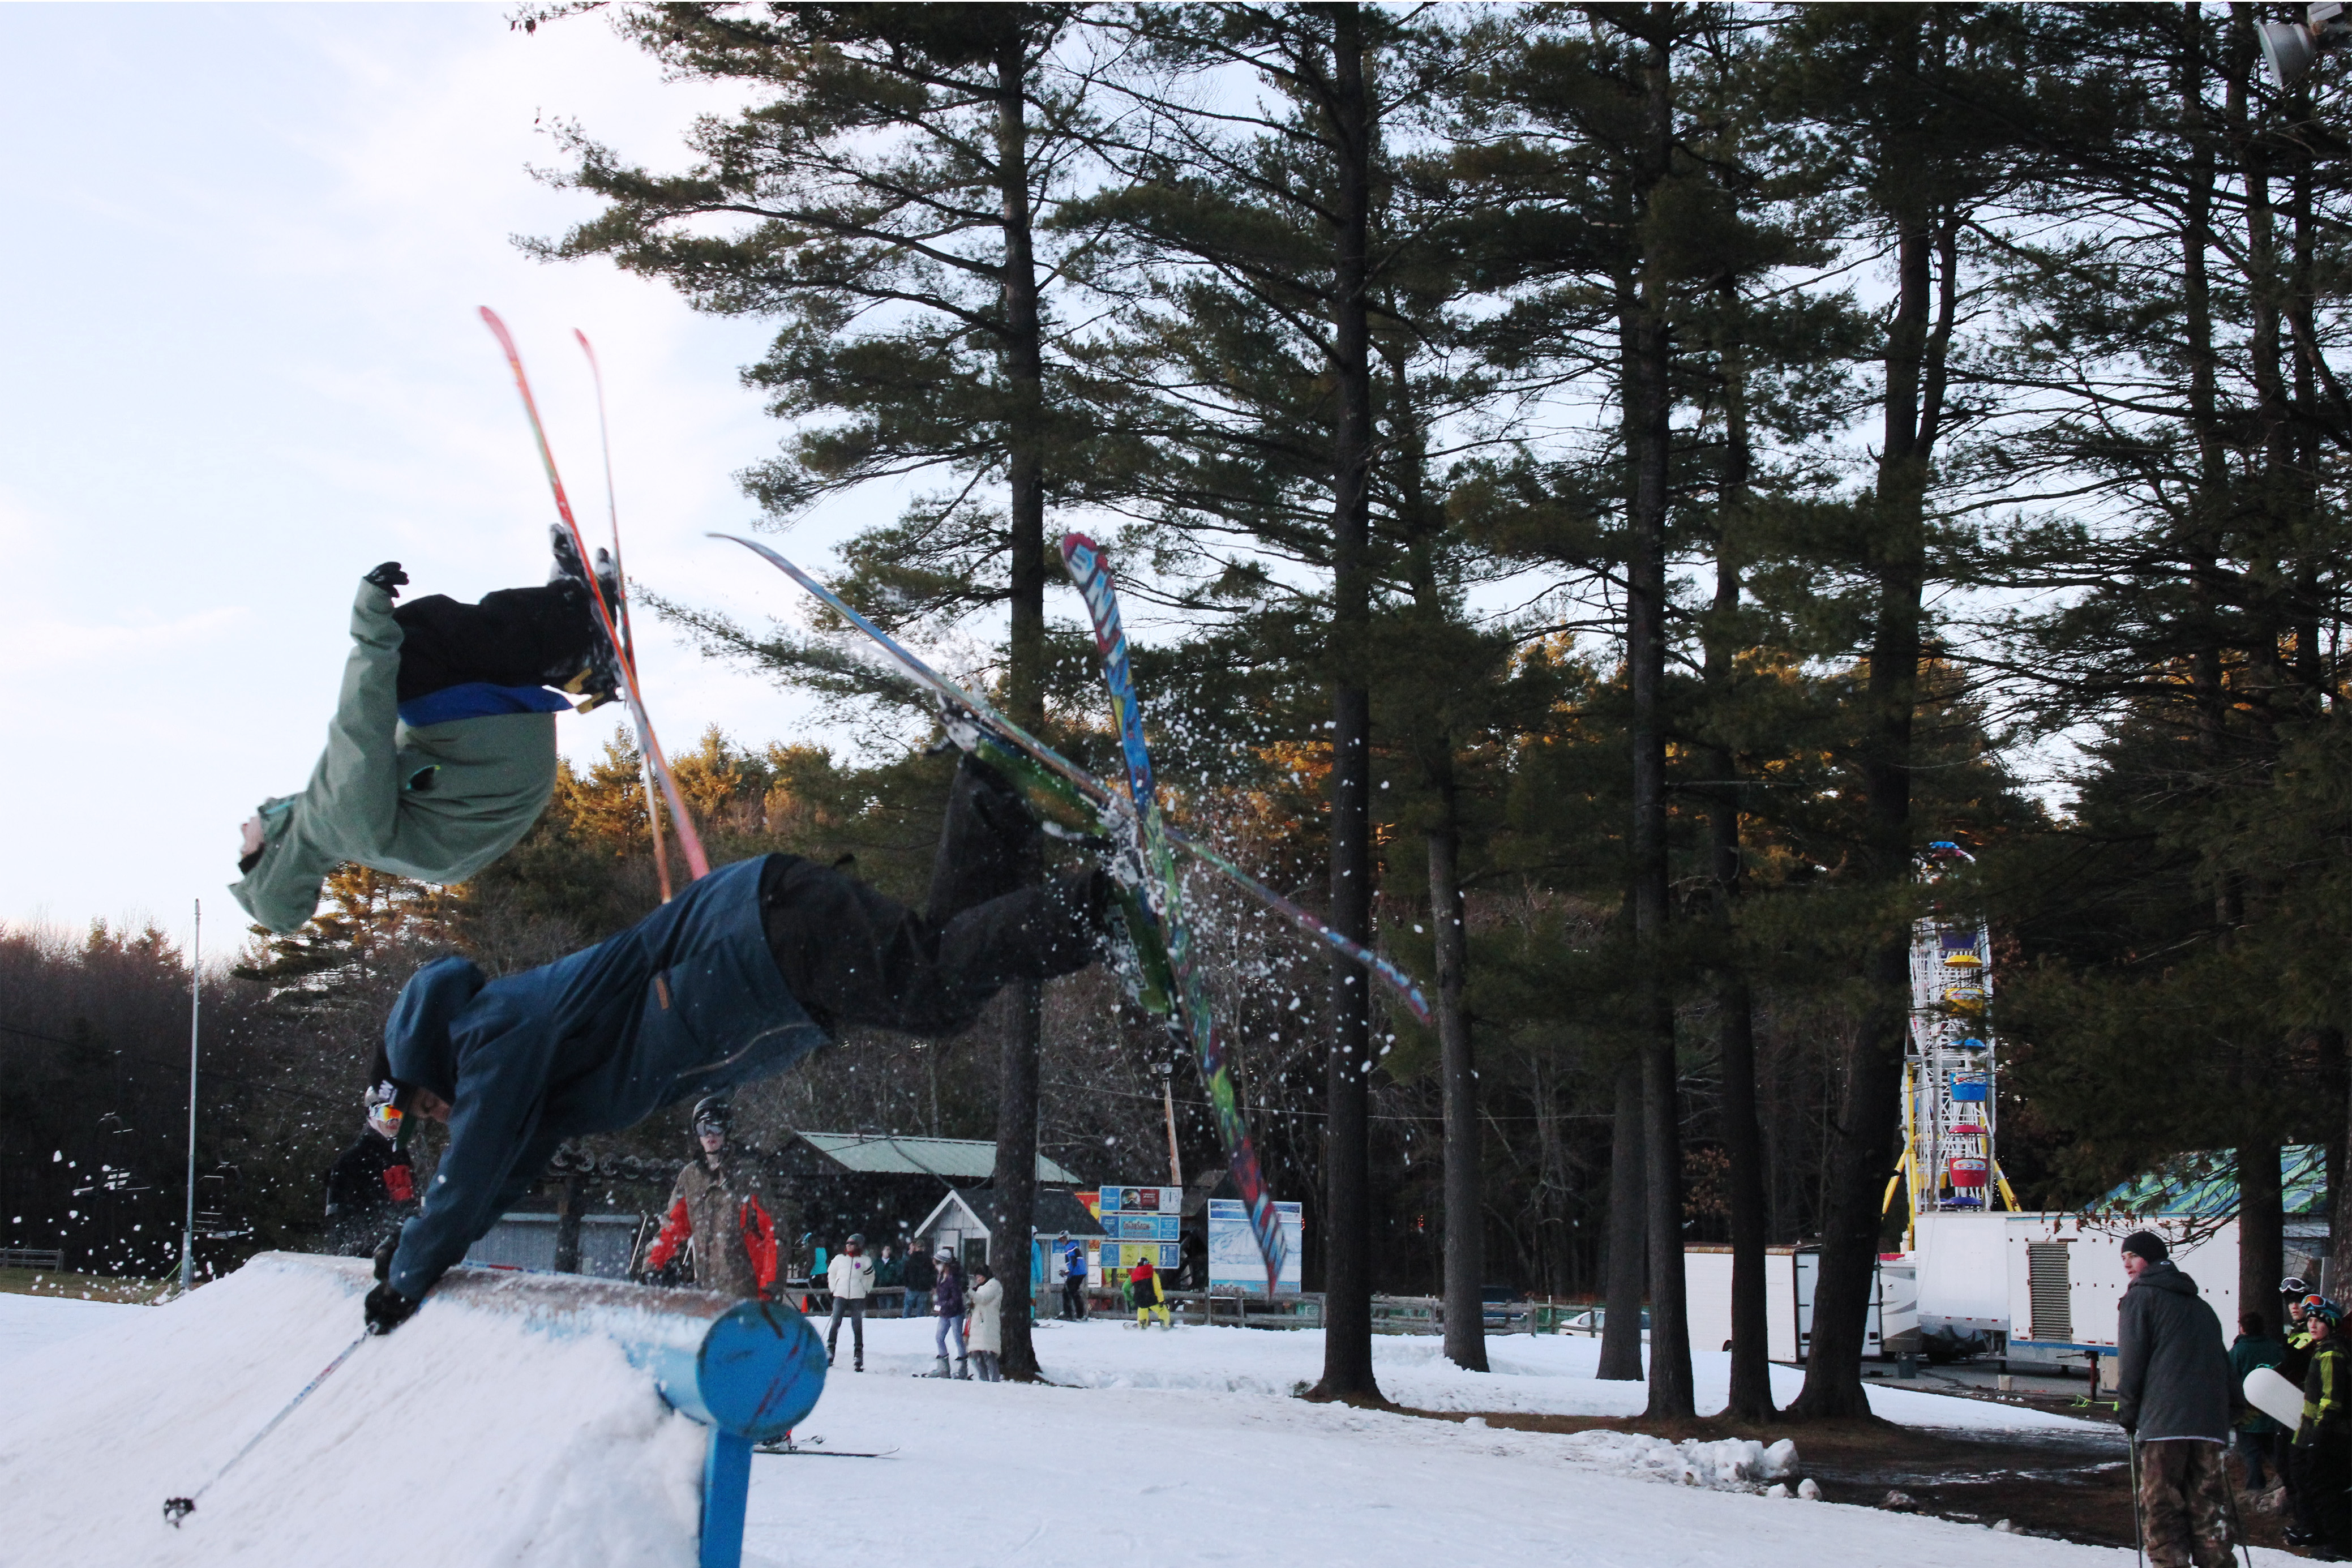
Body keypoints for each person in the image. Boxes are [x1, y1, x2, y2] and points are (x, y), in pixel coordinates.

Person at [359, 755, 1114, 1334]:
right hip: (766, 941)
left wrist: (410, 1268)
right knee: (936, 977)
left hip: (759, 942)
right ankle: (991, 799)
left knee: (930, 985)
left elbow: (474, 1162)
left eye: (429, 1103)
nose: (442, 1116)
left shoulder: (491, 1038)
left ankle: (1100, 907)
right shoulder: (522, 1073)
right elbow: (499, 1176)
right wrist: (420, 1249)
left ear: (434, 1062)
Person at [232, 537, 622, 935]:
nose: (244, 828)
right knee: (413, 648)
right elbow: (362, 723)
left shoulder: (339, 830)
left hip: (491, 766)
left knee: (423, 654)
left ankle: (567, 630)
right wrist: (368, 617)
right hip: (488, 761)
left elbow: (390, 746)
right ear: (272, 854)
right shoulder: (335, 820)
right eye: (246, 848)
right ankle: (579, 637)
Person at [2114, 1230, 2239, 1568]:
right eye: (2123, 1257)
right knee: (2208, 1504)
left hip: (2164, 1422)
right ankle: (2217, 1561)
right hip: (2209, 1423)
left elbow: (2132, 1360)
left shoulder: (2140, 1299)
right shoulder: (2201, 1306)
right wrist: (2233, 1407)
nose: (2126, 1263)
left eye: (2133, 1255)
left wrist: (2128, 1408)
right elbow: (2222, 1360)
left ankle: (2171, 1563)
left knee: (2162, 1503)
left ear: (2152, 1258)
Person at [640, 1096, 783, 1300]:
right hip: (708, 1292)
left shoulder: (749, 1176)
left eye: (716, 1127)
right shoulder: (691, 1177)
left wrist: (769, 1288)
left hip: (747, 1293)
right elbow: (672, 1227)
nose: (710, 1135)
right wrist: (654, 1266)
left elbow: (774, 1233)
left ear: (726, 1130)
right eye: (703, 1128)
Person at [321, 1084, 417, 1255]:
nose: (394, 1120)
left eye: (398, 1113)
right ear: (371, 1115)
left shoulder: (400, 1154)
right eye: (387, 1113)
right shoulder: (352, 1160)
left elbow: (408, 1203)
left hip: (399, 1249)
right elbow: (339, 1223)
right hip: (364, 1253)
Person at [2293, 1296, 2352, 1557]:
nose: (2312, 1325)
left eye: (2318, 1321)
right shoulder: (2323, 1349)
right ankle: (2324, 1534)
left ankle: (2341, 1545)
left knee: (2326, 1488)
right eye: (2309, 1320)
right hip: (2317, 1432)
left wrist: (2320, 1433)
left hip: (2331, 1434)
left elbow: (2331, 1398)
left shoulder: (2331, 1353)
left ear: (2331, 1323)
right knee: (2314, 1483)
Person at [2230, 1309, 2288, 1496]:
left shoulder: (2238, 1352)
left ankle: (2255, 1489)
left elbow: (2230, 1380)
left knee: (2252, 1453)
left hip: (2248, 1413)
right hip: (2273, 1411)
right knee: (2274, 1451)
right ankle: (2288, 1480)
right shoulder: (2275, 1348)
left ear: (2243, 1328)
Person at [826, 1233, 875, 1372]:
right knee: (835, 1323)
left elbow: (870, 1277)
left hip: (857, 1296)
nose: (849, 1245)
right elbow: (831, 1273)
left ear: (859, 1245)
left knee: (857, 1325)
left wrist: (865, 1289)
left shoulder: (865, 1261)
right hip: (840, 1295)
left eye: (852, 1243)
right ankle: (830, 1351)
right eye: (847, 1243)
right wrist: (834, 1288)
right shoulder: (839, 1259)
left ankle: (858, 1354)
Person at [932, 1252, 969, 1378]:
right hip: (945, 1313)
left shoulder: (953, 1277)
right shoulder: (941, 1276)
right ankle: (943, 1368)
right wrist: (938, 1303)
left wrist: (945, 1304)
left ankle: (962, 1368)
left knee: (958, 1338)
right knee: (939, 1337)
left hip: (955, 1312)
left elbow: (956, 1298)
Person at [966, 1262, 1004, 1382]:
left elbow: (983, 1299)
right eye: (976, 1277)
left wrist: (968, 1291)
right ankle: (984, 1380)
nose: (978, 1279)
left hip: (988, 1324)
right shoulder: (979, 1288)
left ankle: (994, 1380)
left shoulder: (994, 1285)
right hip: (978, 1325)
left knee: (988, 1354)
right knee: (976, 1354)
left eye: (980, 1276)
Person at [1130, 1255, 1169, 1330]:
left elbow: (1126, 1287)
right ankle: (1164, 1324)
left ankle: (1142, 1324)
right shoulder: (1153, 1274)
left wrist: (1131, 1298)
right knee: (1162, 1310)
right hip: (1151, 1298)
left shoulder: (1134, 1275)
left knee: (1142, 1309)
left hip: (1140, 1299)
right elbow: (1157, 1288)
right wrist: (1161, 1300)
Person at [1059, 1232, 1087, 1322]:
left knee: (1070, 1292)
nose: (1062, 1242)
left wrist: (1068, 1271)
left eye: (1064, 1239)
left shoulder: (1069, 1246)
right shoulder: (1073, 1245)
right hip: (1079, 1272)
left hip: (1077, 1272)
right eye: (1061, 1240)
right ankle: (1077, 1314)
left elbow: (1073, 1260)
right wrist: (1068, 1272)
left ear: (1067, 1238)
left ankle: (1072, 1314)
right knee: (1071, 1291)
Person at [903, 1240, 934, 1318]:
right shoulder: (929, 1260)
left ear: (916, 1248)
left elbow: (905, 1273)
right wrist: (931, 1285)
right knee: (921, 1310)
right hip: (924, 1288)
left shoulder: (910, 1259)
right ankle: (920, 1323)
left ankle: (904, 1322)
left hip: (912, 1287)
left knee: (908, 1308)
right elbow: (932, 1274)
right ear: (924, 1248)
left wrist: (907, 1284)